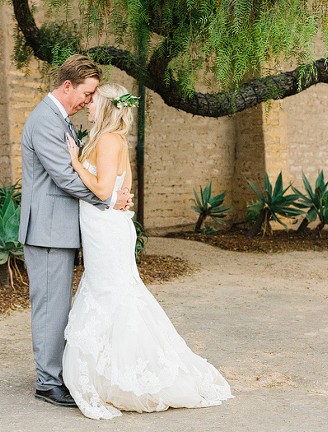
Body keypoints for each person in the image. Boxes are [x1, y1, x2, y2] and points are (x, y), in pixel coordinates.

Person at [61, 83, 233, 419]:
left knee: (115, 296)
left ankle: (130, 375)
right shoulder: (106, 138)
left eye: (94, 101)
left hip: (107, 232)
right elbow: (118, 189)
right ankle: (110, 372)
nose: (88, 105)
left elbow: (102, 188)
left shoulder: (110, 139)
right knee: (109, 293)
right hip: (101, 229)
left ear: (108, 106)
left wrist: (75, 163)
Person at [17, 53, 133, 409]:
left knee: (58, 305)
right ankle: (48, 382)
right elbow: (66, 177)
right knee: (51, 306)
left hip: (59, 229)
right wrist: (108, 199)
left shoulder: (61, 119)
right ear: (67, 86)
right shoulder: (46, 121)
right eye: (87, 92)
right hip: (48, 230)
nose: (88, 101)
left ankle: (56, 373)